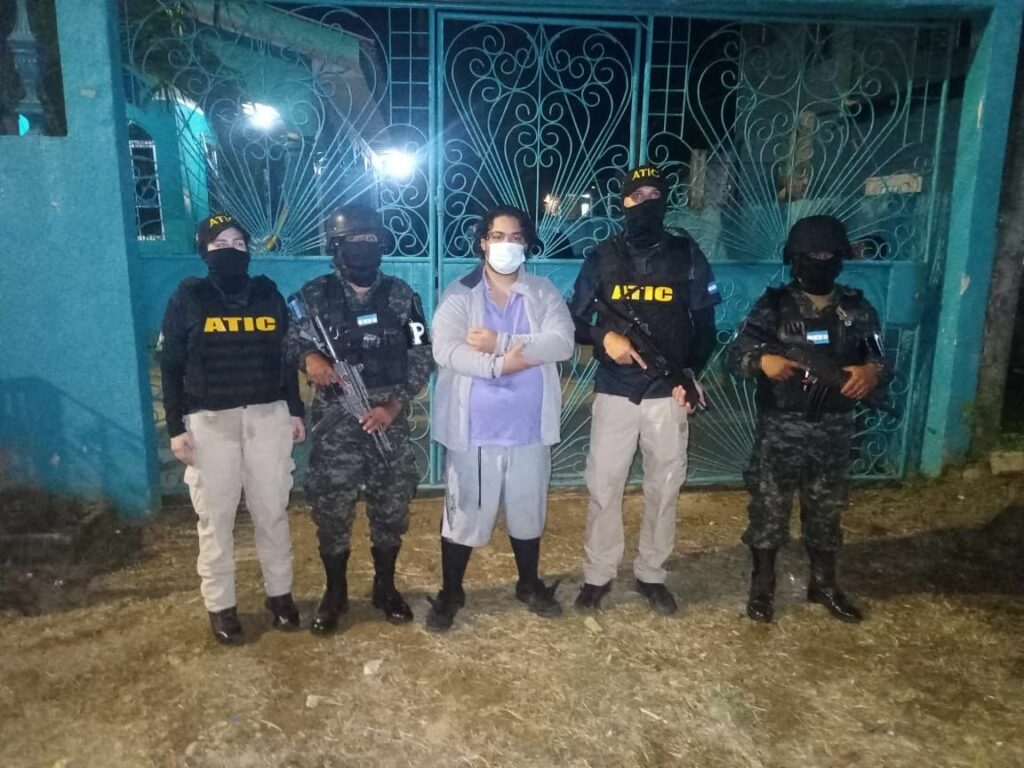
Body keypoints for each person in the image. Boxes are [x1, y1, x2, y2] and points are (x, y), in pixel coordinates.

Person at [568, 164, 720, 614]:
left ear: (665, 201)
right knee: (604, 485)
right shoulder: (601, 257)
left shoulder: (687, 254)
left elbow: (706, 326)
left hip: (667, 394)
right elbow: (572, 322)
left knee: (665, 486)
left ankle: (652, 572)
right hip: (616, 391)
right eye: (637, 195)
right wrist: (604, 337)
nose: (645, 202)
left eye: (654, 194)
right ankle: (598, 574)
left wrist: (689, 373)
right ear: (623, 202)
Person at [727, 215, 890, 623]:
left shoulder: (856, 308)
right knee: (769, 505)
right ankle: (763, 584)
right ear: (796, 259)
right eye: (812, 255)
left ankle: (824, 583)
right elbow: (737, 354)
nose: (820, 261)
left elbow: (880, 358)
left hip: (834, 427)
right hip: (781, 426)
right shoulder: (773, 306)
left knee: (827, 507)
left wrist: (871, 373)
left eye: (827, 254)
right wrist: (763, 361)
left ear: (840, 258)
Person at [425, 205, 575, 632]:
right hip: (474, 430)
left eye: (516, 238)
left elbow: (562, 343)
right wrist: (499, 366)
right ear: (483, 242)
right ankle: (451, 592)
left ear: (526, 244)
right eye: (498, 237)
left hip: (528, 429)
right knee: (464, 514)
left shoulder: (542, 291)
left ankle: (529, 584)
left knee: (528, 510)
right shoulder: (461, 293)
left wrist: (501, 341)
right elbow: (446, 349)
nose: (506, 245)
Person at [159, 212, 306, 645]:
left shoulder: (267, 294)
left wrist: (295, 410)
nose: (231, 250)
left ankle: (280, 596)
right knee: (216, 518)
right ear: (204, 251)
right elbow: (170, 366)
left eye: (238, 243)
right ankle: (221, 606)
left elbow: (285, 358)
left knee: (272, 512)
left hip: (267, 417)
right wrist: (175, 427)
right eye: (220, 243)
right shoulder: (189, 297)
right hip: (210, 424)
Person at [286, 204, 432, 635]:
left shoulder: (402, 297)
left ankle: (385, 588)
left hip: (387, 420)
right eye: (354, 241)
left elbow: (422, 354)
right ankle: (335, 593)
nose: (364, 248)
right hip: (336, 425)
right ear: (335, 247)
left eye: (371, 240)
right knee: (332, 509)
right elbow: (288, 340)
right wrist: (309, 358)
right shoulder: (314, 296)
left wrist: (395, 405)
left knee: (391, 508)